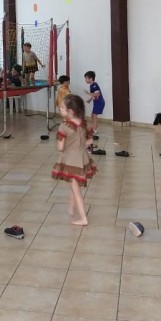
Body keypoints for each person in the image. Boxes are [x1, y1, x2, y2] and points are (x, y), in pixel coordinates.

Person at [51, 94, 96, 225]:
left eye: (62, 108)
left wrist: (64, 144)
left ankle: (83, 218)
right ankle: (71, 209)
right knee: (73, 183)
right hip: (82, 159)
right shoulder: (83, 123)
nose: (60, 109)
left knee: (76, 189)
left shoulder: (64, 126)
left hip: (71, 162)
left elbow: (60, 147)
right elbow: (89, 141)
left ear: (70, 111)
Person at [84, 71, 105, 139]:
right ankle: (95, 128)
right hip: (96, 102)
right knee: (92, 115)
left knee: (94, 115)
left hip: (99, 102)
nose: (85, 80)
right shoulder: (91, 85)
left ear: (91, 78)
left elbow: (98, 94)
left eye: (86, 78)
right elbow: (94, 95)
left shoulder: (94, 85)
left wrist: (88, 93)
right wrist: (90, 100)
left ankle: (94, 130)